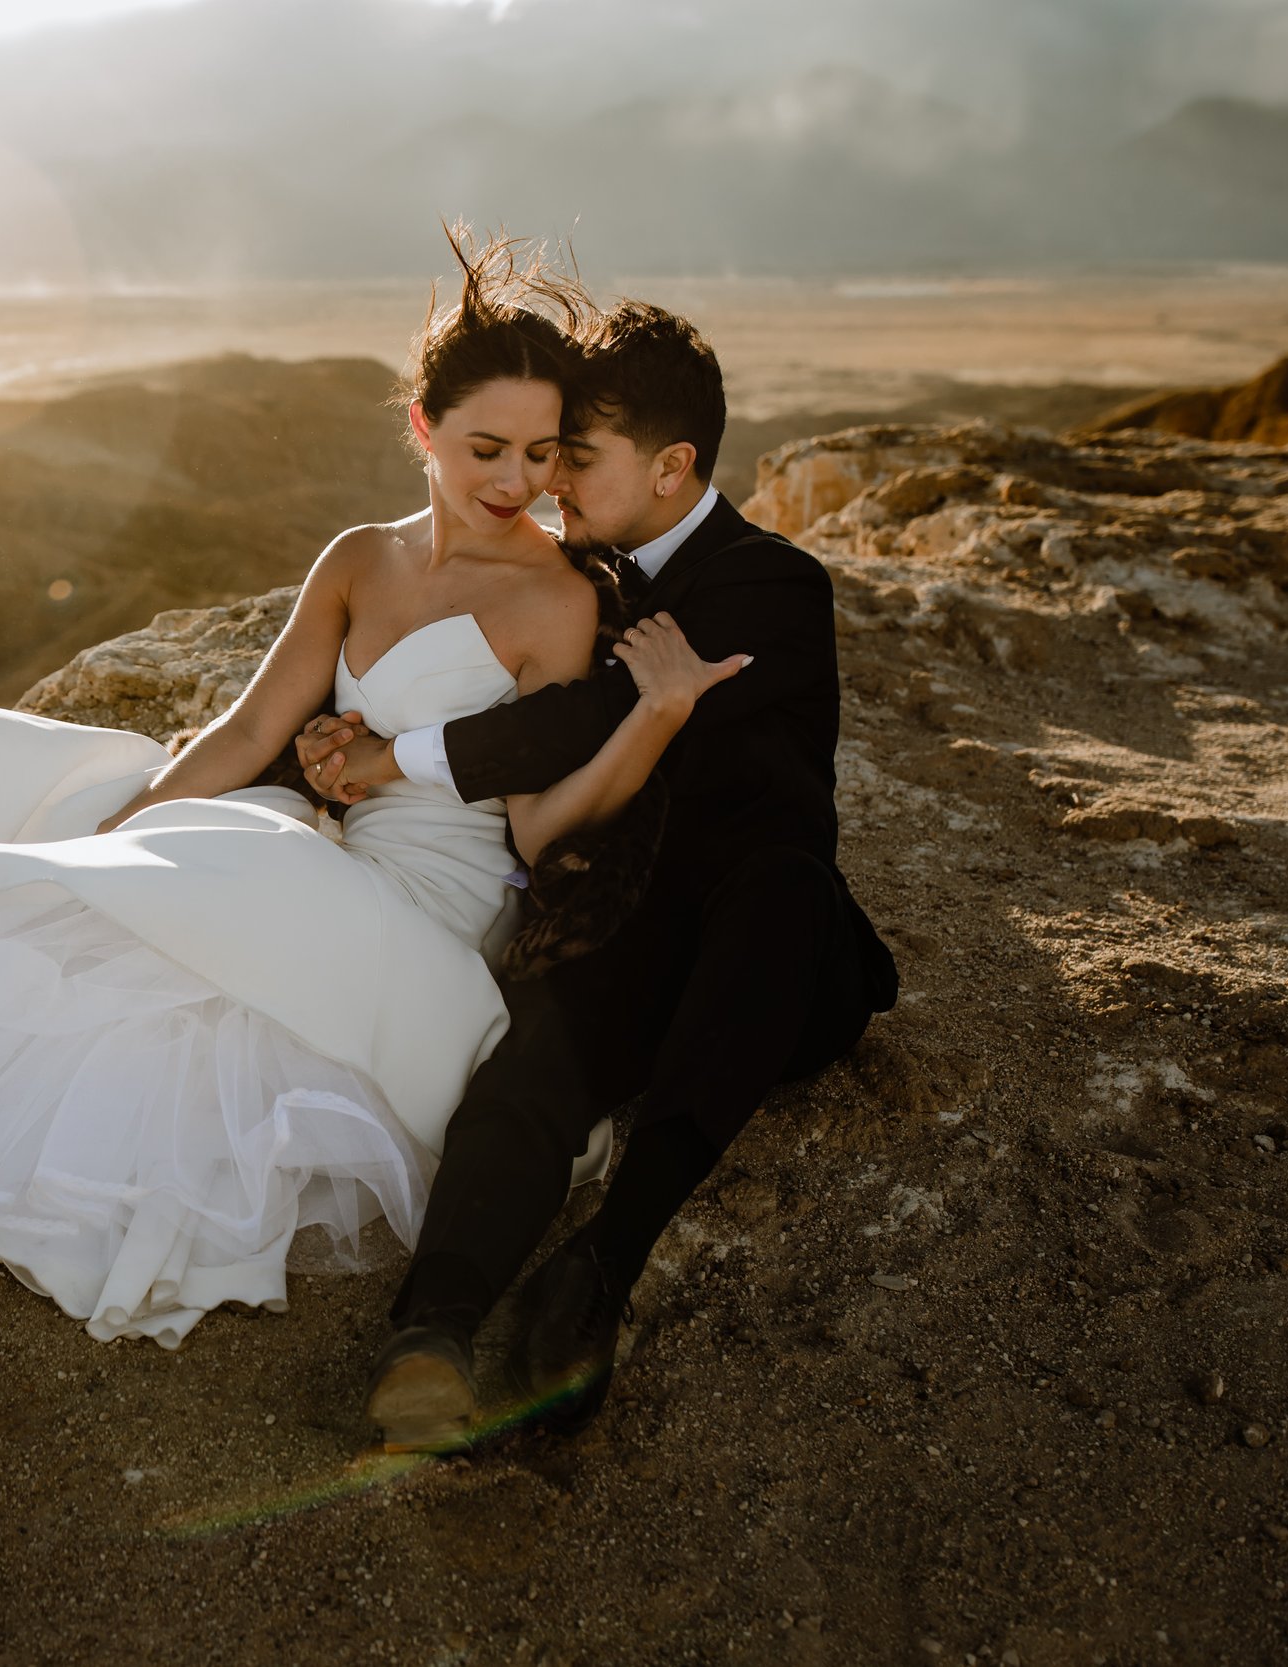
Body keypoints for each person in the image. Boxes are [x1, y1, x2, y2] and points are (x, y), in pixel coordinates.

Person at [0, 236, 740, 1348]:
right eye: (485, 447)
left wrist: (653, 718)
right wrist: (126, 825)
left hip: (441, 889)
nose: (515, 483)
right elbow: (254, 724)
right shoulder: (360, 558)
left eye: (541, 455)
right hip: (328, 835)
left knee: (248, 879)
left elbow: (541, 825)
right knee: (191, 846)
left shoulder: (555, 601)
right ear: (421, 429)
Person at [303, 301, 900, 1450]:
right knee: (536, 1055)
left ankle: (602, 1265)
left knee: (780, 889)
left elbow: (591, 710)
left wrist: (398, 758)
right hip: (634, 920)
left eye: (575, 456)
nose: (548, 481)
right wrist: (326, 747)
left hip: (773, 948)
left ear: (673, 466)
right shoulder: (574, 573)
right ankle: (429, 1333)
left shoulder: (770, 582)